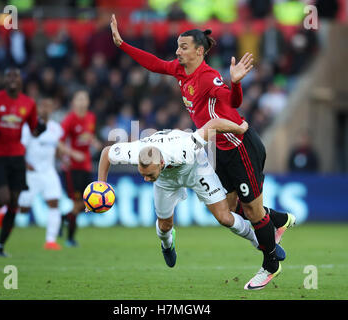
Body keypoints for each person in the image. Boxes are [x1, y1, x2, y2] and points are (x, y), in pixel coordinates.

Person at [110, 14, 295, 290]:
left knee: (253, 213)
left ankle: (271, 264)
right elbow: (155, 64)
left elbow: (232, 104)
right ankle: (280, 220)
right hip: (219, 151)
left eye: (183, 47)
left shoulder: (209, 77)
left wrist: (235, 83)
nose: (177, 51)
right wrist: (122, 43)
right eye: (177, 46)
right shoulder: (180, 71)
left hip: (239, 145)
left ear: (199, 51)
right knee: (233, 210)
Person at [98, 118, 285, 269]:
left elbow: (213, 125)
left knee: (225, 217)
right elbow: (107, 153)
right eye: (143, 175)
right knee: (164, 226)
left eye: (149, 175)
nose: (145, 180)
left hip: (196, 169)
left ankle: (261, 243)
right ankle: (167, 245)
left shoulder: (183, 148)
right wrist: (101, 186)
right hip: (166, 181)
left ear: (161, 163)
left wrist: (239, 128)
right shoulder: (133, 153)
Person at [0, 67, 46, 257]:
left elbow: (33, 130)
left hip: (17, 155)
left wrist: (41, 128)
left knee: (14, 203)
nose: (13, 79)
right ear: (4, 81)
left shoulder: (28, 103)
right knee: (4, 198)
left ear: (21, 81)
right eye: (9, 76)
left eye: (16, 76)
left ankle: (0, 246)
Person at [18, 97, 85, 250]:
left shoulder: (56, 128)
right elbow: (21, 148)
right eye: (43, 106)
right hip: (32, 172)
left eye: (49, 106)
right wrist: (24, 165)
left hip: (49, 171)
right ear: (38, 109)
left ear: (52, 109)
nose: (46, 109)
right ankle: (5, 210)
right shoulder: (29, 127)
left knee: (54, 203)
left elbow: (56, 148)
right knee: (23, 209)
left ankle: (50, 241)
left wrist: (63, 159)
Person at [60, 90, 102, 247]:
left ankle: (64, 219)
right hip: (72, 167)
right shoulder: (69, 120)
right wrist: (73, 153)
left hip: (86, 166)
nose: (82, 102)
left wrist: (94, 142)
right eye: (79, 99)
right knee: (78, 203)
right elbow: (59, 142)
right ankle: (70, 238)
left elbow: (88, 136)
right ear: (73, 102)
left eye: (85, 98)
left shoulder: (91, 117)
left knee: (87, 203)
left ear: (88, 102)